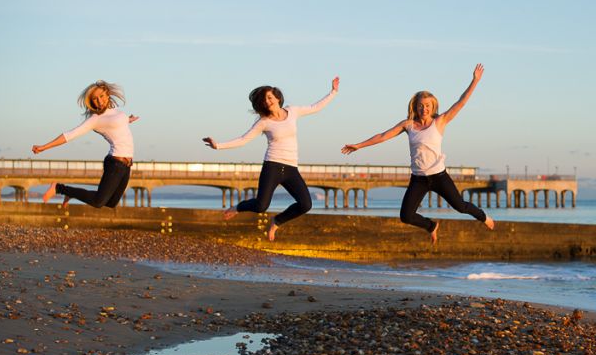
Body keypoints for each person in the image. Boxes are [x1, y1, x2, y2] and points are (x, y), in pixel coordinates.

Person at [342, 64, 493, 244]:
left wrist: (474, 81)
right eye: (421, 105)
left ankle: (484, 217)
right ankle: (431, 226)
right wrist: (359, 145)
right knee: (406, 215)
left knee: (460, 206)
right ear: (415, 106)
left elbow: (461, 102)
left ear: (433, 106)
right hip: (418, 179)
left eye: (428, 105)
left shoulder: (440, 121)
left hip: (439, 176)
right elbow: (383, 135)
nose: (424, 108)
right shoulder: (408, 125)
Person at [203, 77, 339, 241]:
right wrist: (218, 146)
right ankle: (238, 207)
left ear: (277, 97)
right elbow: (243, 139)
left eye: (270, 97)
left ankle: (276, 221)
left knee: (306, 204)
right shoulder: (264, 122)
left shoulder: (292, 111)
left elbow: (315, 107)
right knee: (261, 206)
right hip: (272, 166)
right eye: (264, 99)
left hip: (291, 168)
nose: (268, 101)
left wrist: (333, 92)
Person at [32, 80, 139, 208]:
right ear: (91, 102)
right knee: (98, 202)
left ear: (108, 94)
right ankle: (59, 188)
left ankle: (72, 193)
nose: (100, 101)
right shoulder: (95, 119)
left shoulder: (114, 110)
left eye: (102, 96)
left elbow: (117, 123)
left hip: (127, 165)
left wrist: (128, 119)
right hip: (115, 163)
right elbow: (70, 135)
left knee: (111, 203)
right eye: (95, 99)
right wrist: (44, 147)